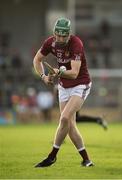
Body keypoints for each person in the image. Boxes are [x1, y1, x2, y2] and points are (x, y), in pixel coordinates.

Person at [33, 17, 94, 167]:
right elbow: (37, 60)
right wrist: (44, 76)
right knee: (70, 125)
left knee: (64, 118)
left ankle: (52, 156)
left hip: (81, 84)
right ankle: (86, 160)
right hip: (63, 86)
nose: (60, 39)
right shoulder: (50, 42)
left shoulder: (76, 44)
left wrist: (59, 72)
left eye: (64, 35)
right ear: (54, 33)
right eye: (58, 35)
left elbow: (74, 73)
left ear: (69, 34)